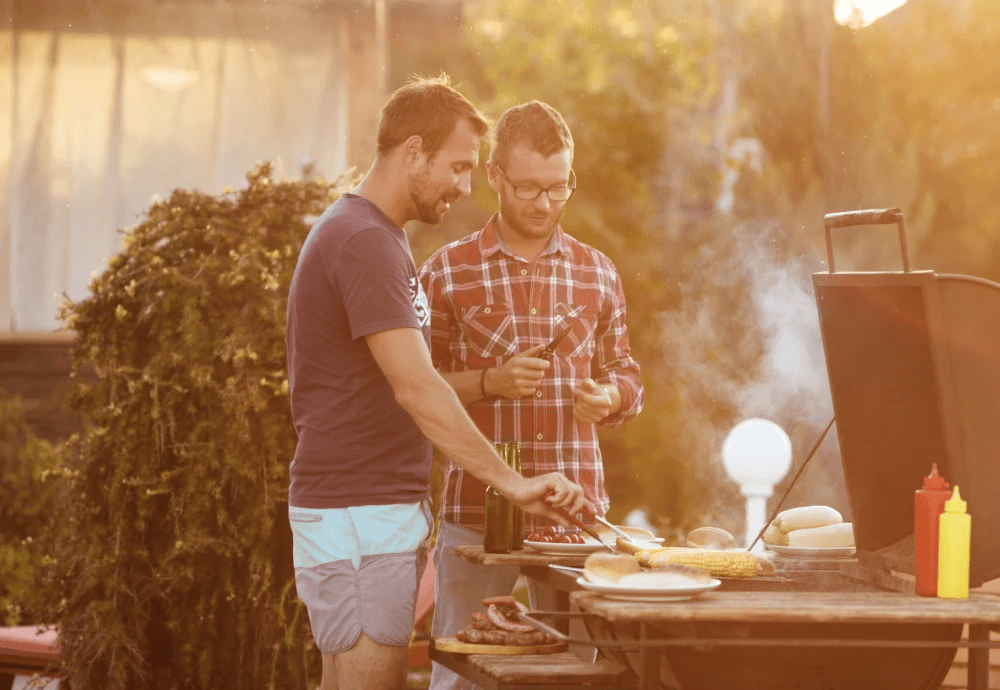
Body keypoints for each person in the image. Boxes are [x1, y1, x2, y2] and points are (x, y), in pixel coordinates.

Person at [285, 78, 596, 690]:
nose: (463, 185)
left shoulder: (375, 236)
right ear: (413, 152)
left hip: (363, 511)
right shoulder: (365, 241)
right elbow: (418, 388)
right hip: (360, 514)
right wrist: (513, 482)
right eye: (457, 166)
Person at [419, 100, 645, 690]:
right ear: (495, 177)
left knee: (576, 677)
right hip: (477, 513)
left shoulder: (598, 272)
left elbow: (627, 373)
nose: (544, 204)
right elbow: (414, 387)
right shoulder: (445, 272)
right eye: (528, 188)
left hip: (575, 519)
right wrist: (489, 382)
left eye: (558, 187)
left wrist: (610, 397)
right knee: (462, 675)